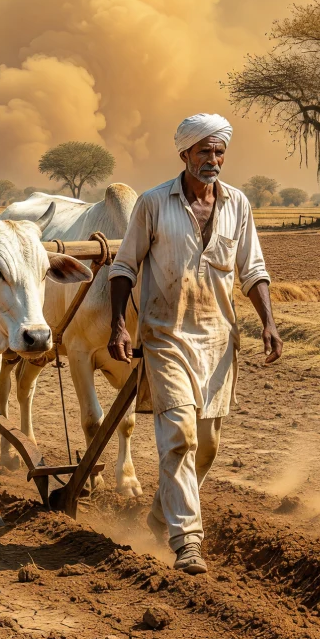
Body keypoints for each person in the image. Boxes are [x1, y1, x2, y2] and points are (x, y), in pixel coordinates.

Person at [108, 112, 283, 575]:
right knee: (181, 437)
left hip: (220, 340)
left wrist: (268, 322)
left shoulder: (238, 205)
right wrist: (119, 326)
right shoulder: (151, 204)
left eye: (219, 150)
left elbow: (253, 270)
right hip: (165, 336)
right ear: (184, 154)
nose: (213, 159)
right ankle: (188, 540)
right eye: (204, 151)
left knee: (207, 446)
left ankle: (162, 512)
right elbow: (123, 267)